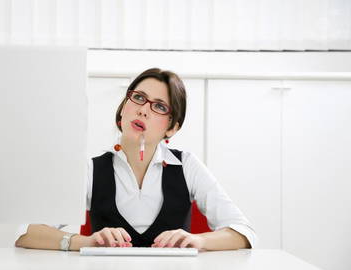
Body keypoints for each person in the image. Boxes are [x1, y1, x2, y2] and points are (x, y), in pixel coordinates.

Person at [15, 68, 257, 252]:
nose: (143, 110)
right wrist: (86, 241)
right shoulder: (90, 169)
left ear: (172, 128)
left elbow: (243, 232)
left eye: (160, 107)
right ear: (123, 108)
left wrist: (198, 239)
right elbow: (25, 232)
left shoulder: (188, 166)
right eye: (139, 98)